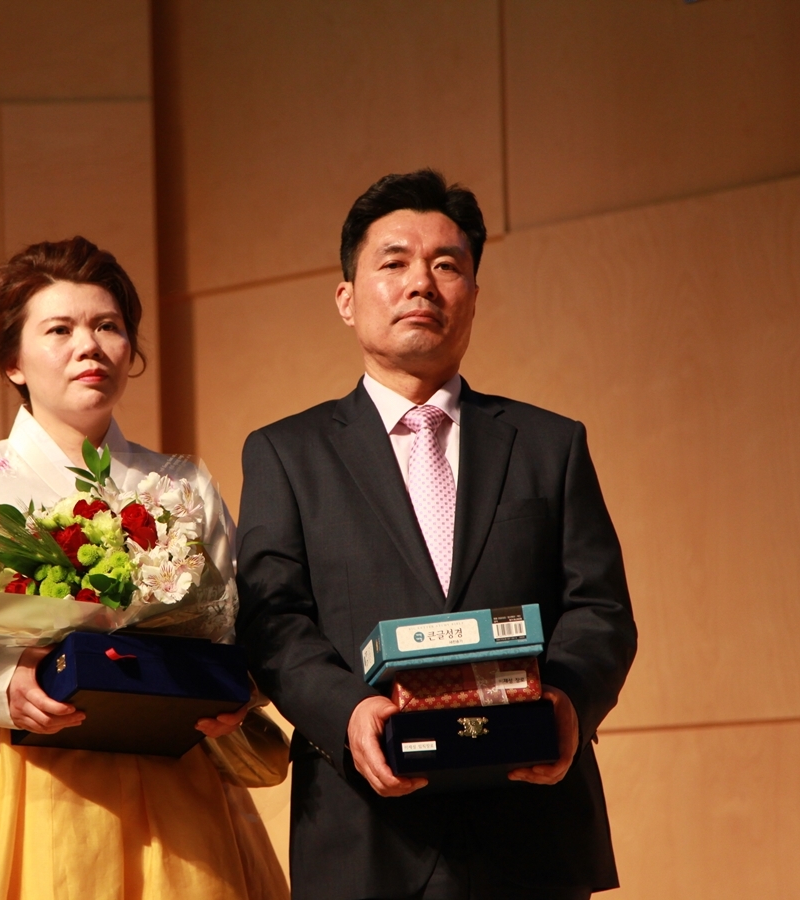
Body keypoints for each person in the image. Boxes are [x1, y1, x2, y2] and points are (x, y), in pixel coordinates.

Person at [235, 170, 636, 900]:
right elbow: (272, 621)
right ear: (346, 299)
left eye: (447, 265)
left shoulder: (551, 444)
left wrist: (567, 704)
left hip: (531, 830)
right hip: (365, 834)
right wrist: (348, 713)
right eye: (394, 263)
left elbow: (601, 609)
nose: (421, 282)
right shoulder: (285, 454)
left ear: (473, 296)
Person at [0, 237, 288, 900]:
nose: (88, 346)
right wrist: (5, 682)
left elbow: (241, 628)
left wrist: (233, 688)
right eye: (59, 329)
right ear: (13, 360)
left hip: (168, 779)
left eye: (108, 326)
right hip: (16, 783)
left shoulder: (182, 484)